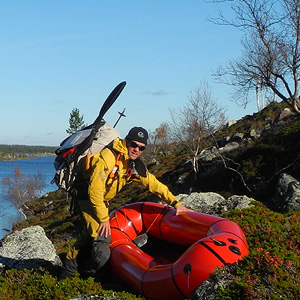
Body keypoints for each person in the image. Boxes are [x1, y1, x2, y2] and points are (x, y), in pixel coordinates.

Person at [59, 126, 191, 279]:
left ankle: (69, 268)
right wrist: (103, 219)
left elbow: (153, 184)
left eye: (141, 148)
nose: (136, 149)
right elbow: (94, 191)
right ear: (126, 142)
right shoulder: (109, 157)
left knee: (89, 235)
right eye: (133, 145)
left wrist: (176, 203)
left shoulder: (131, 165)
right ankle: (103, 279)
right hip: (87, 198)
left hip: (101, 201)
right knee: (102, 235)